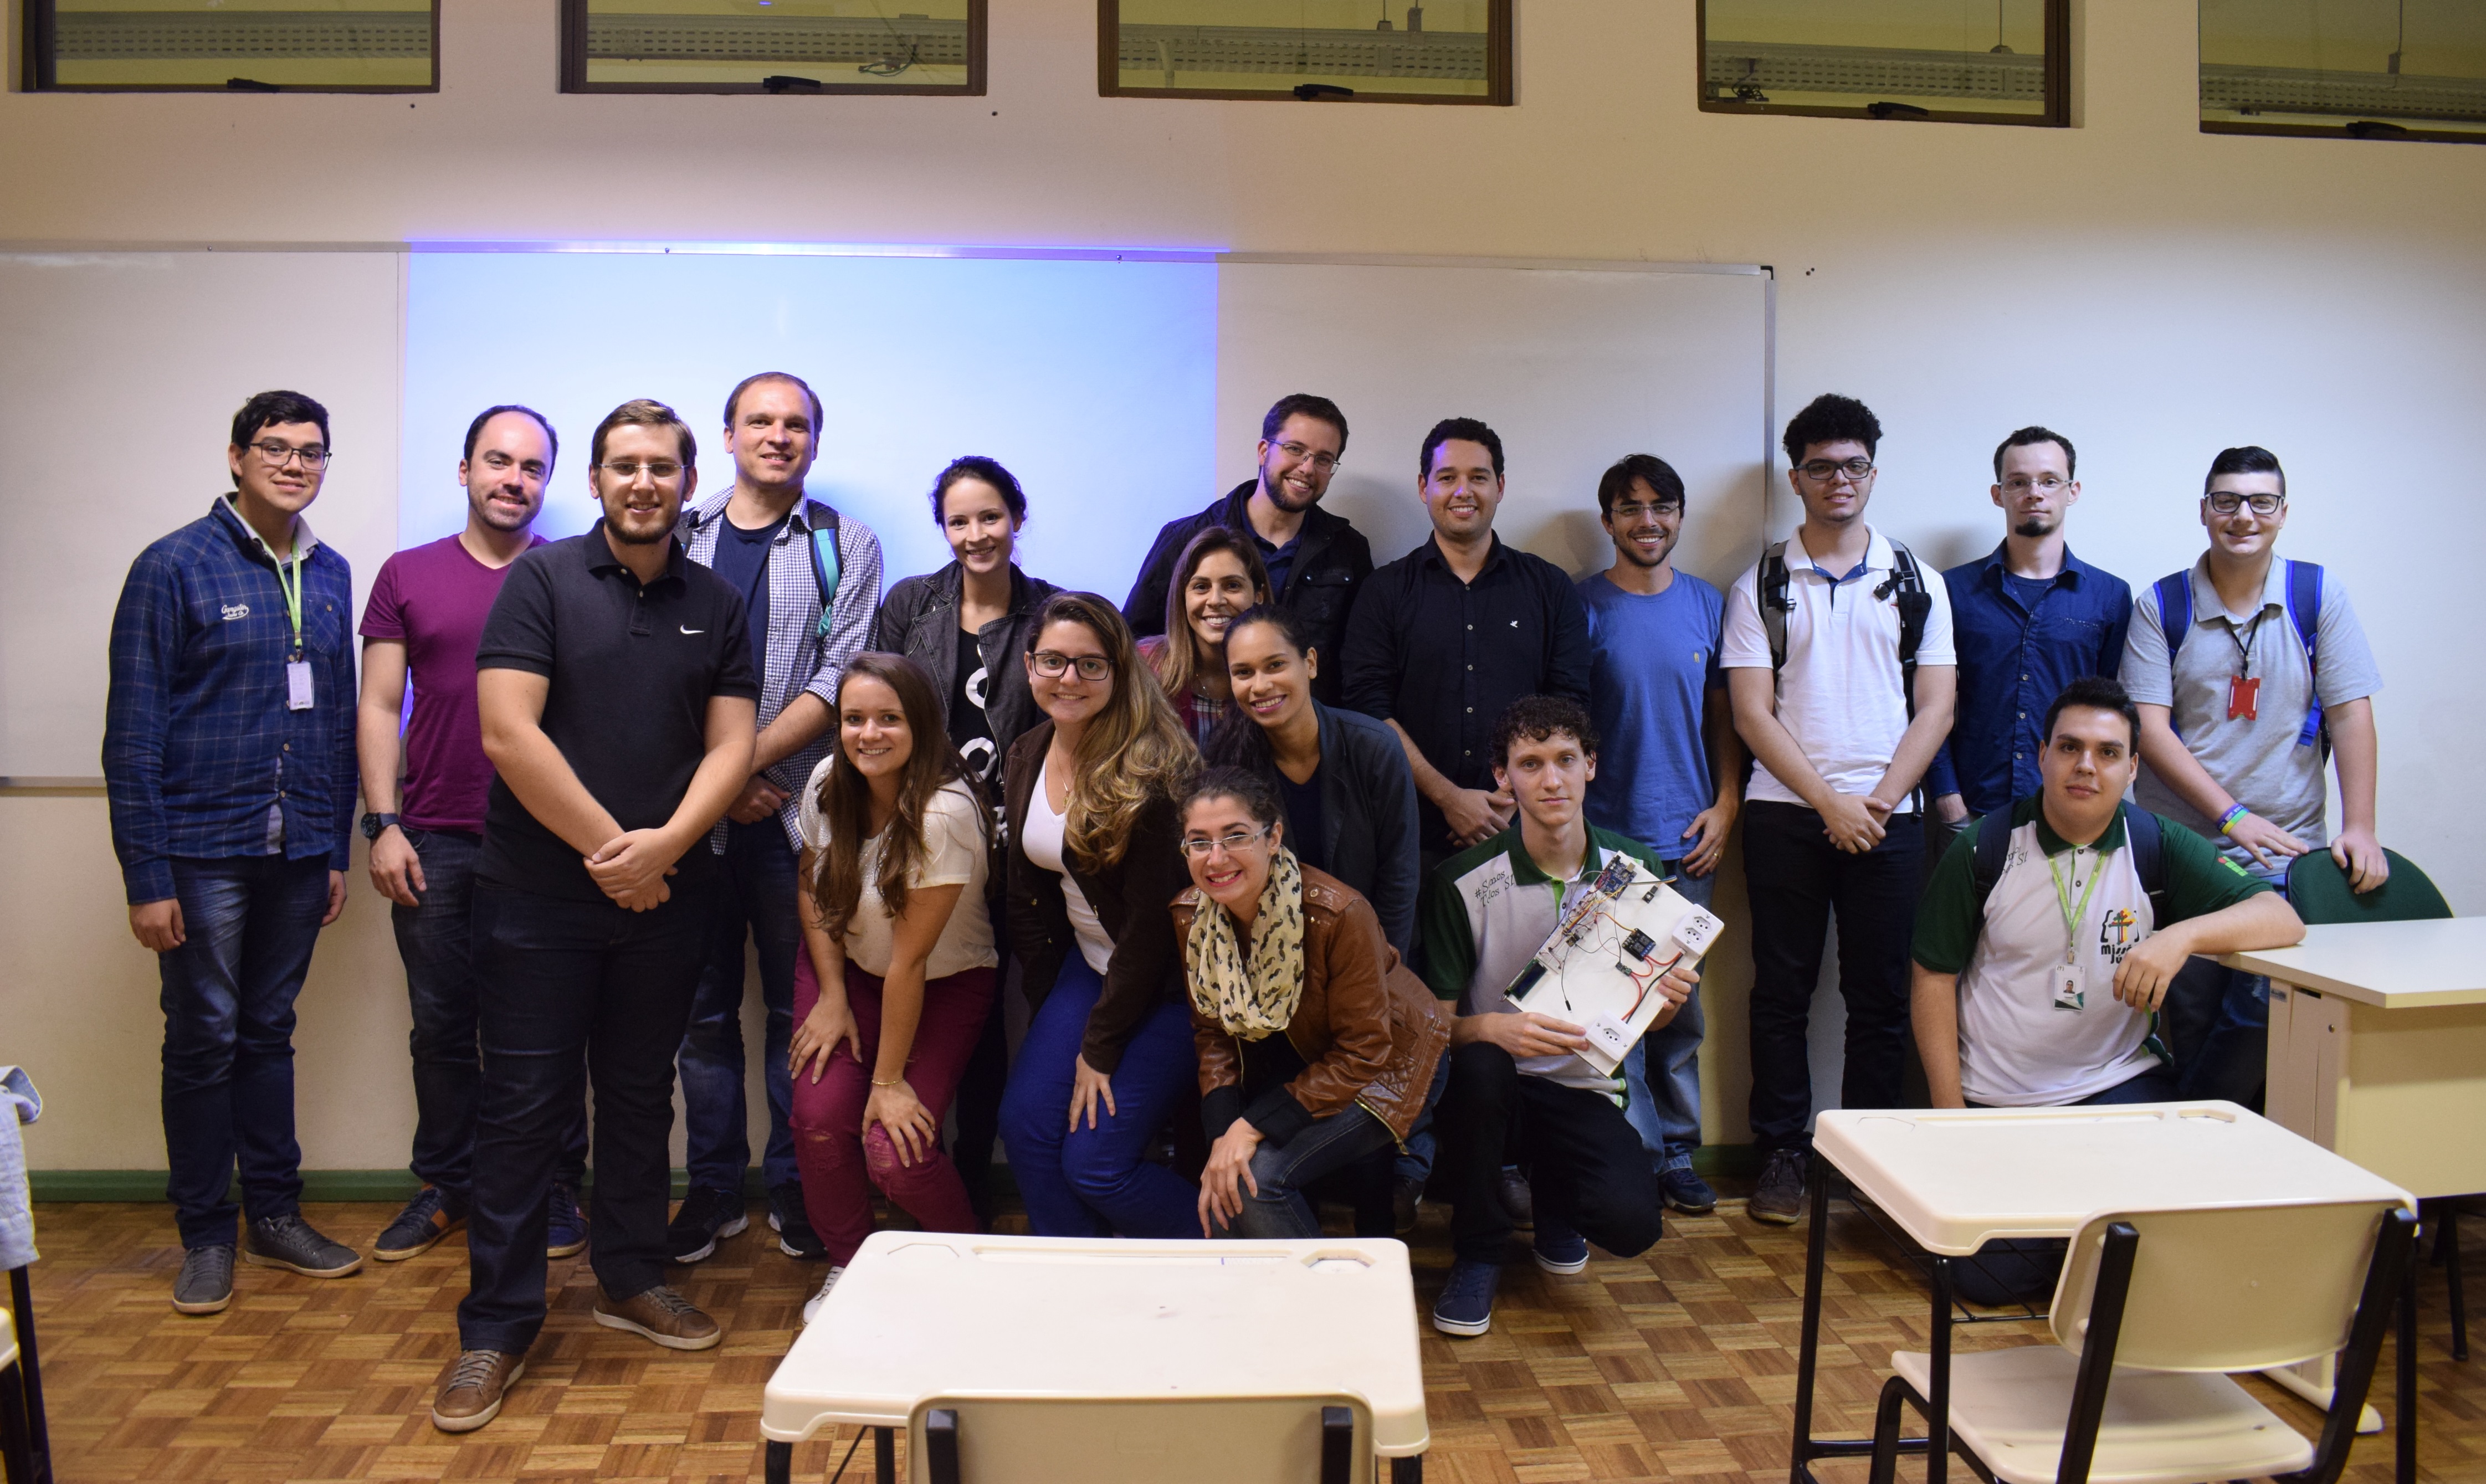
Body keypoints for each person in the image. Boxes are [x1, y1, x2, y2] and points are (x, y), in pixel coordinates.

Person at [434, 399, 757, 1434]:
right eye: (624, 465)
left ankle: (630, 1275)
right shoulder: (540, 580)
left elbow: (732, 744)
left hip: (668, 897)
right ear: (596, 480)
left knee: (636, 1096)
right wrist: (620, 853)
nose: (643, 482)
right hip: (537, 898)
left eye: (661, 466)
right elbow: (508, 733)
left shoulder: (718, 600)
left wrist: (665, 849)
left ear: (688, 481)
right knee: (522, 1110)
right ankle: (496, 1324)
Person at [1911, 675, 2302, 1301]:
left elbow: (2280, 918)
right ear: (2043, 755)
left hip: (2115, 1088)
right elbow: (1932, 977)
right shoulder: (1984, 847)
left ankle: (2082, 1224)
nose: (2086, 766)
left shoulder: (2155, 844)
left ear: (2132, 768)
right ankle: (2078, 1226)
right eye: (2069, 747)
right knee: (1987, 1281)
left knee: (2170, 1244)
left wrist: (2178, 937)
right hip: (2001, 1100)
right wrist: (1951, 1120)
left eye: (2107, 752)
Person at [105, 389, 363, 1316]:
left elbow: (337, 716)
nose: (294, 464)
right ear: (236, 456)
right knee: (203, 1038)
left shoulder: (329, 571)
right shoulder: (172, 565)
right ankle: (207, 1234)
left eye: (311, 450)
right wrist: (147, 875)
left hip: (298, 848)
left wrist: (333, 847)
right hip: (201, 848)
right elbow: (132, 733)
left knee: (268, 1032)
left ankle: (277, 1217)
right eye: (275, 447)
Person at [357, 404, 590, 1264]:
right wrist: (383, 824)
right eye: (498, 461)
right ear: (465, 470)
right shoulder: (407, 573)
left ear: (547, 482)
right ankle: (448, 1184)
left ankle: (554, 1184)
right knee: (442, 1026)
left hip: (547, 842)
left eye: (531, 467)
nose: (513, 480)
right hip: (434, 839)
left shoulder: (573, 574)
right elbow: (380, 703)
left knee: (548, 1025)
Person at [1723, 393, 1956, 1227]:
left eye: (1853, 465)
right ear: (1795, 478)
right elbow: (1751, 714)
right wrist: (1829, 803)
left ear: (1872, 473)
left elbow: (1936, 706)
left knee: (1879, 998)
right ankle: (1781, 1153)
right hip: (1785, 815)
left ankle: (1867, 1159)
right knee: (1780, 992)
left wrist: (1879, 802)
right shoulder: (1758, 584)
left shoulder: (1917, 581)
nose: (1838, 480)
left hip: (1889, 819)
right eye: (1820, 467)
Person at [668, 371, 884, 1267]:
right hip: (691, 824)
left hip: (799, 821)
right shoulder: (678, 533)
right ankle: (714, 1189)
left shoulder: (843, 541)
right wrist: (718, 785)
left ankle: (798, 1188)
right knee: (702, 1015)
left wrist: (737, 767)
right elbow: (650, 672)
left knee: (800, 1012)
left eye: (796, 423)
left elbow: (840, 678)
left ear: (814, 442)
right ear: (727, 435)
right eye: (759, 419)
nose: (778, 434)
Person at [1420, 696, 1695, 1338]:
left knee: (1633, 1226)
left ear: (1590, 766)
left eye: (1565, 760)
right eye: (1530, 763)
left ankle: (1554, 1200)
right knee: (1480, 1067)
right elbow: (1432, 1027)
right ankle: (1479, 1250)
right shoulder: (1461, 881)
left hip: (1583, 1089)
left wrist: (1664, 1005)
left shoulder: (1636, 872)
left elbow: (1643, 1024)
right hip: (1492, 1090)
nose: (1551, 780)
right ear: (1502, 777)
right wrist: (1488, 1028)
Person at [2119, 445, 2384, 1106]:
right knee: (2195, 1020)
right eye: (2227, 501)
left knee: (2261, 1012)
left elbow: (2350, 713)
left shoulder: (2314, 595)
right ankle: (2208, 1145)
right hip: (2183, 854)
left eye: (2260, 502)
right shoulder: (2161, 604)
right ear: (2203, 511)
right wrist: (2230, 816)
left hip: (2286, 853)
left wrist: (2359, 826)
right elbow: (2149, 730)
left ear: (2282, 513)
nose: (2243, 516)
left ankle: (2193, 1128)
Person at [868, 455, 1060, 1221]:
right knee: (948, 1010)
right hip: (934, 841)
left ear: (1016, 518)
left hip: (1025, 849)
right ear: (942, 528)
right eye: (959, 520)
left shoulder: (1052, 610)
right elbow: (881, 707)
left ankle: (990, 1175)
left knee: (1012, 1012)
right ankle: (931, 1176)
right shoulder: (911, 604)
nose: (975, 533)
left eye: (989, 516)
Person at [787, 654, 997, 1321]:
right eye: (854, 719)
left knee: (894, 1154)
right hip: (845, 969)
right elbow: (812, 888)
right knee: (820, 1120)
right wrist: (831, 993)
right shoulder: (828, 781)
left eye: (889, 719)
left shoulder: (944, 813)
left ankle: (972, 1261)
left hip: (942, 983)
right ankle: (848, 1265)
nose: (868, 734)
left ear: (922, 724)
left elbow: (909, 962)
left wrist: (886, 1083)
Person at [1203, 604, 1426, 1228]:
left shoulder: (1372, 745)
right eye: (1243, 672)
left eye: (1274, 665)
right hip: (1275, 980)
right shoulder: (1229, 759)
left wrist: (1374, 981)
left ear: (1309, 663)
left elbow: (1399, 877)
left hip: (1369, 971)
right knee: (1269, 1151)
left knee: (1368, 1158)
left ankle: (1376, 1249)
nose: (1260, 685)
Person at [995, 593, 1202, 1239]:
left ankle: (1239, 1251)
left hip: (1172, 986)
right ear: (1029, 666)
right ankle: (1077, 1277)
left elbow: (1150, 932)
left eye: (1090, 664)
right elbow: (1028, 895)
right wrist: (1053, 1015)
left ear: (1117, 671)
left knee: (1096, 1166)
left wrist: (1097, 1047)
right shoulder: (1027, 752)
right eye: (1053, 661)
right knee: (1026, 1128)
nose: (1069, 679)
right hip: (1089, 970)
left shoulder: (1151, 772)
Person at [1575, 453, 1744, 1219]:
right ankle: (1626, 1154)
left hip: (1688, 840)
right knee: (1608, 1005)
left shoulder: (1708, 603)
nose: (1647, 521)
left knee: (1678, 1008)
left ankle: (1676, 1152)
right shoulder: (1581, 607)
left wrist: (1727, 803)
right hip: (1607, 845)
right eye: (1630, 507)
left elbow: (1724, 717)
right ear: (1607, 520)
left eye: (1661, 506)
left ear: (1678, 516)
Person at [1177, 768, 1448, 1241]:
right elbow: (1213, 1032)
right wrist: (1223, 1133)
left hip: (1388, 1062)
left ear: (1273, 837)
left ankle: (1318, 1288)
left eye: (1235, 836)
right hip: (1307, 1060)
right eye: (1199, 842)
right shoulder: (1191, 915)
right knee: (1226, 1179)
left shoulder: (1338, 914)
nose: (1215, 858)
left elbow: (1365, 1050)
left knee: (1254, 1182)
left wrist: (1250, 1127)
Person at [1340, 417, 1591, 865]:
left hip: (1524, 830)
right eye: (1447, 478)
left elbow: (1568, 704)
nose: (1463, 491)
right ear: (1424, 487)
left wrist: (1509, 797)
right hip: (1410, 835)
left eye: (1478, 477)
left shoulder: (1549, 588)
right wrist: (1449, 798)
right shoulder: (1383, 591)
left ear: (1499, 486)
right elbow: (1367, 708)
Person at [1926, 427, 2131, 836]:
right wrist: (1947, 796)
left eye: (2049, 481)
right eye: (2018, 482)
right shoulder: (1952, 590)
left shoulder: (2109, 595)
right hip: (1972, 812)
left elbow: (2117, 712)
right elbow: (1928, 701)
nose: (2034, 493)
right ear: (1998, 494)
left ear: (2072, 491)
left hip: (2072, 809)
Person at [1124, 393, 1373, 705]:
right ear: (1264, 451)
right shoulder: (1185, 538)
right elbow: (1134, 643)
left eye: (1323, 459)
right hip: (1197, 720)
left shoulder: (1348, 549)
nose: (1308, 468)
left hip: (1305, 726)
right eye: (1295, 450)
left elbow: (1359, 660)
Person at [1141, 527, 1275, 747]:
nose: (1215, 601)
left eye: (1233, 586)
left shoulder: (1280, 676)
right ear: (1183, 597)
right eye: (1201, 587)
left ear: (1258, 596)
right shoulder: (1143, 668)